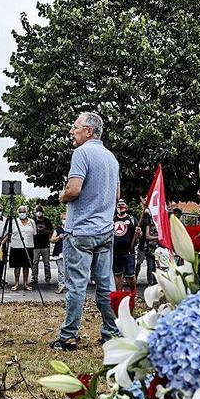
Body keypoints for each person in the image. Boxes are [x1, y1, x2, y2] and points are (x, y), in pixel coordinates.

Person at [51, 112, 120, 351]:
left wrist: (62, 195)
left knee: (76, 286)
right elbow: (117, 195)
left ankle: (68, 335)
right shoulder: (112, 158)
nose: (72, 131)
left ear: (89, 131)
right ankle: (112, 332)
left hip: (80, 230)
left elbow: (74, 190)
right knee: (106, 285)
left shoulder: (81, 153)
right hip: (105, 231)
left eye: (75, 127)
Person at [112, 199, 141, 293]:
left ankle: (133, 293)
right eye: (118, 204)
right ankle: (119, 294)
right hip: (115, 252)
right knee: (118, 274)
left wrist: (139, 232)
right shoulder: (112, 219)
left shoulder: (132, 219)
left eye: (122, 204)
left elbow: (140, 234)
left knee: (130, 275)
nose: (120, 206)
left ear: (126, 207)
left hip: (129, 252)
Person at [7, 205, 36, 291]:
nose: (22, 213)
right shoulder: (13, 221)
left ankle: (26, 284)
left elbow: (34, 233)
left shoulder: (31, 222)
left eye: (23, 211)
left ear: (27, 212)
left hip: (28, 246)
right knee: (17, 266)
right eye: (20, 212)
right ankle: (16, 283)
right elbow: (9, 233)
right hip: (16, 246)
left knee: (26, 266)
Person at [30, 204, 53, 285]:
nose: (39, 213)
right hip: (35, 245)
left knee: (46, 263)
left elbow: (51, 231)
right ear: (35, 212)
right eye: (37, 211)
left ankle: (48, 278)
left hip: (45, 244)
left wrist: (44, 230)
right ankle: (34, 278)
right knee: (35, 263)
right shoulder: (32, 221)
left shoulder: (47, 221)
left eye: (40, 211)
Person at [50, 211, 68, 294]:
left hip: (70, 253)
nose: (65, 220)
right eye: (63, 219)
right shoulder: (58, 229)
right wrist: (58, 237)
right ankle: (61, 285)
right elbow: (52, 240)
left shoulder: (71, 229)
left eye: (66, 219)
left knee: (70, 271)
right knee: (61, 271)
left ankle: (69, 286)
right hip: (60, 252)